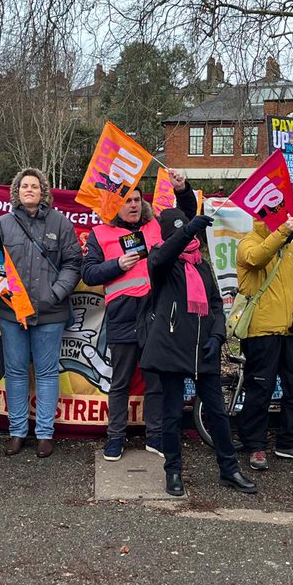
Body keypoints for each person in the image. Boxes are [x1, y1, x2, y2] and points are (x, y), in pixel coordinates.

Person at [81, 170, 196, 461]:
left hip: (155, 314)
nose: (133, 205)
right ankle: (115, 438)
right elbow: (88, 273)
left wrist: (182, 190)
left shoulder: (155, 225)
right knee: (119, 382)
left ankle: (154, 436)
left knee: (154, 381)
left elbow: (185, 220)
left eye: (136, 199)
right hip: (122, 316)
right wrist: (117, 264)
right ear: (115, 205)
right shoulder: (100, 233)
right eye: (126, 201)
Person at [139, 210, 255, 496]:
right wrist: (187, 230)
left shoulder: (201, 265)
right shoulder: (161, 261)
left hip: (203, 351)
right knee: (172, 415)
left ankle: (229, 469)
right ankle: (173, 471)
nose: (189, 237)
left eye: (189, 231)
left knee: (218, 412)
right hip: (171, 349)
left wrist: (217, 336)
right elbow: (163, 258)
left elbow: (215, 305)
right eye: (179, 231)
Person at [0, 168, 82, 458]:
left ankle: (45, 434)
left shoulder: (61, 223)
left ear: (43, 191)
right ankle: (17, 432)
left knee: (46, 374)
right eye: (24, 186)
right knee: (15, 373)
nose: (29, 190)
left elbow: (73, 263)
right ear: (16, 192)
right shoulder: (2, 224)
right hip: (12, 313)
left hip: (50, 314)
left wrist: (55, 294)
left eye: (34, 186)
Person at [235, 214, 293, 469]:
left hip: (289, 332)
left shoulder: (291, 248)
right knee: (260, 389)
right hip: (261, 332)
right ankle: (255, 446)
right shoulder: (249, 242)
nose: (283, 219)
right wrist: (282, 233)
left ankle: (289, 442)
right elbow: (256, 258)